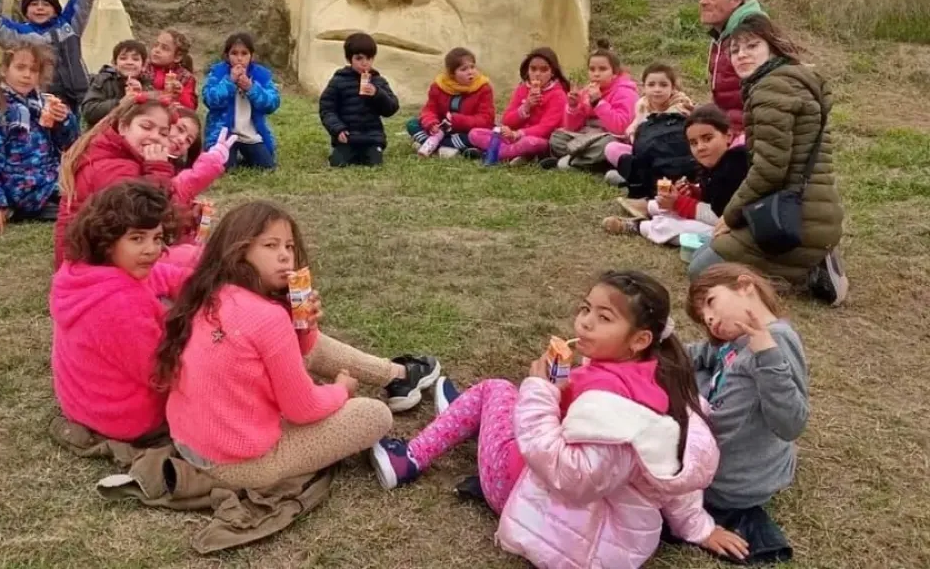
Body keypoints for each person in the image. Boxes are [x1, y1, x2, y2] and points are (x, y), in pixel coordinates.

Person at [371, 271, 748, 568]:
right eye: (586, 309)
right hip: (584, 520)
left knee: (495, 389)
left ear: (639, 340)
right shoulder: (661, 385)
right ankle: (471, 418)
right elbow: (670, 476)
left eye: (604, 317)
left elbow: (570, 474)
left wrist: (540, 390)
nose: (585, 323)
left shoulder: (610, 408)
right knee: (510, 400)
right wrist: (699, 528)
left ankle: (409, 458)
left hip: (528, 498)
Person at [158, 201, 441, 488]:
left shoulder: (207, 292)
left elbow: (301, 351)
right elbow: (303, 409)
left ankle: (395, 376)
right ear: (238, 250)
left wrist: (304, 326)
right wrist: (341, 390)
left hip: (188, 441)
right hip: (240, 465)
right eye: (270, 246)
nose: (284, 255)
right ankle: (397, 376)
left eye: (289, 246)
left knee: (311, 345)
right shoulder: (267, 317)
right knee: (374, 415)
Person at [687, 16, 847, 305]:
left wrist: (730, 215)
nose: (742, 55)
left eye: (752, 46)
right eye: (735, 50)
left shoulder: (771, 89)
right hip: (812, 209)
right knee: (703, 253)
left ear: (772, 48)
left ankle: (805, 274)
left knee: (701, 271)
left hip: (796, 216)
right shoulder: (789, 81)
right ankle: (815, 255)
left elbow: (770, 170)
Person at [683, 264, 808, 564]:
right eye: (703, 316)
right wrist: (660, 352)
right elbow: (703, 354)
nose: (708, 318)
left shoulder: (776, 340)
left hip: (731, 483)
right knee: (690, 374)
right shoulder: (736, 340)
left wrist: (766, 353)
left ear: (745, 285)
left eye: (711, 302)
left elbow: (791, 423)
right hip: (729, 446)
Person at [50, 182, 192, 443]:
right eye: (137, 238)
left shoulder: (81, 271)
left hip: (84, 403)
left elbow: (164, 275)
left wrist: (201, 285)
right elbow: (162, 374)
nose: (152, 249)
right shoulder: (120, 305)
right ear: (106, 240)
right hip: (126, 419)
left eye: (157, 238)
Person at [53, 95, 235, 268]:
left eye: (163, 133)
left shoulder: (121, 154)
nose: (155, 136)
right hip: (93, 268)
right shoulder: (112, 167)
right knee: (199, 261)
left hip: (101, 256)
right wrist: (159, 169)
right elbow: (145, 215)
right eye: (146, 127)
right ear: (123, 126)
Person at [0, 42, 79, 237]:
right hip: (23, 192)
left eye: (33, 70)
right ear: (5, 70)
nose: (27, 75)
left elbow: (70, 145)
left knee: (98, 185)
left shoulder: (43, 103)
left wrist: (65, 121)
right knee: (85, 207)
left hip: (52, 180)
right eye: (20, 68)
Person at [605, 105, 750, 245]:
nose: (700, 147)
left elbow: (721, 216)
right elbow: (716, 195)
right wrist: (694, 192)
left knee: (677, 226)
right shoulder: (716, 162)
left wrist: (679, 203)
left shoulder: (736, 165)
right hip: (723, 216)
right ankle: (650, 207)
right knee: (680, 204)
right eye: (694, 143)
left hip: (740, 229)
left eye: (707, 138)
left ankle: (640, 226)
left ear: (728, 135)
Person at [543, 40, 639, 171]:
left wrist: (598, 103)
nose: (596, 74)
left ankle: (572, 161)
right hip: (587, 136)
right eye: (592, 69)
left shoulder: (625, 91)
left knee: (607, 145)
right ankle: (581, 160)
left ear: (615, 73)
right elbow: (572, 127)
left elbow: (620, 128)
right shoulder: (586, 91)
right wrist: (573, 107)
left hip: (610, 136)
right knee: (557, 138)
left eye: (603, 69)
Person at [466, 48, 569, 166]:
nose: (537, 74)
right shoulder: (522, 89)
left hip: (540, 140)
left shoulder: (558, 95)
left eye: (544, 70)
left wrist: (518, 134)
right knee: (474, 134)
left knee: (529, 143)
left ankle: (492, 154)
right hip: (512, 137)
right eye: (533, 69)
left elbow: (546, 128)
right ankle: (516, 155)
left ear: (552, 72)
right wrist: (526, 107)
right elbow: (506, 120)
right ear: (528, 70)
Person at [699, 0, 768, 135]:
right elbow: (729, 99)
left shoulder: (753, 35)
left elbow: (770, 103)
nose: (703, 1)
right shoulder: (723, 35)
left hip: (749, 138)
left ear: (736, 0)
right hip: (727, 130)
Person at [603, 63, 695, 185]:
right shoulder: (642, 104)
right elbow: (635, 124)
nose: (657, 89)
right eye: (651, 85)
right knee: (611, 148)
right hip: (647, 154)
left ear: (673, 87)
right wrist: (632, 131)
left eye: (663, 85)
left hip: (671, 156)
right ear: (644, 87)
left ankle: (636, 178)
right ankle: (638, 175)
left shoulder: (681, 106)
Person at [318, 32, 401, 167]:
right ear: (349, 59)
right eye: (359, 58)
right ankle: (342, 152)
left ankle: (372, 151)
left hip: (372, 138)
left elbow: (391, 108)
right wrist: (337, 129)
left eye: (369, 58)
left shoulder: (378, 81)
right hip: (348, 137)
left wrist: (377, 93)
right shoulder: (339, 81)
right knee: (338, 162)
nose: (364, 63)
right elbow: (327, 108)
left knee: (375, 163)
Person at [201, 32, 282, 170]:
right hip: (224, 134)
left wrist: (251, 88)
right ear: (227, 56)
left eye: (244, 53)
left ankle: (248, 154)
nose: (239, 58)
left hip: (250, 133)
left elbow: (272, 103)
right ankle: (227, 155)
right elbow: (209, 99)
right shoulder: (217, 73)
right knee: (225, 166)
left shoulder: (261, 75)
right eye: (234, 53)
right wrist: (229, 82)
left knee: (266, 165)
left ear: (252, 56)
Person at [406, 47, 495, 158]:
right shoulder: (438, 86)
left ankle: (431, 145)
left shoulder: (483, 88)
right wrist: (432, 124)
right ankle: (449, 147)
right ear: (452, 74)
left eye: (472, 67)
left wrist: (458, 120)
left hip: (467, 131)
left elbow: (486, 119)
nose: (470, 72)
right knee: (412, 124)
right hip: (442, 130)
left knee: (476, 136)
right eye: (464, 69)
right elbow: (429, 109)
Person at [81, 39, 150, 128]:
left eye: (135, 59)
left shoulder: (147, 85)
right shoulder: (104, 80)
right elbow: (89, 111)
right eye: (123, 58)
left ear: (143, 65)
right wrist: (120, 103)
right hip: (103, 132)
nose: (129, 62)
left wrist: (142, 97)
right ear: (114, 63)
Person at [145, 29, 198, 109]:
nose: (157, 50)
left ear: (177, 57)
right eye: (156, 45)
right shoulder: (143, 68)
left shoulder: (186, 77)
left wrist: (180, 93)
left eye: (164, 48)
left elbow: (190, 108)